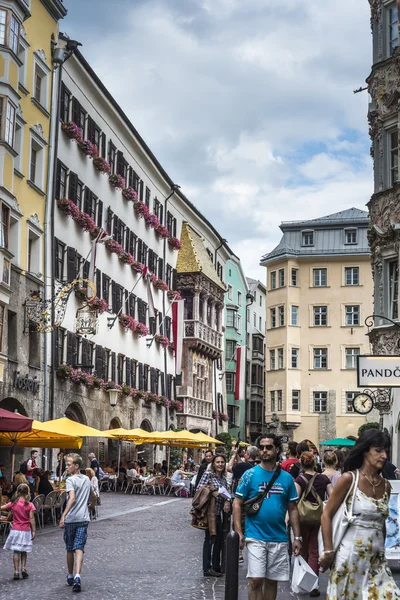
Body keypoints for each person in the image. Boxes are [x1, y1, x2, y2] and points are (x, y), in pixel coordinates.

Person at [320, 429, 400, 599]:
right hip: (349, 558)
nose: (384, 455)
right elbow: (326, 514)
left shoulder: (386, 486)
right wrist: (328, 551)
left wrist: (383, 551)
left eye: (386, 450)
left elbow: (382, 523)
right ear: (365, 452)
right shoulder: (349, 479)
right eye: (378, 450)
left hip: (376, 561)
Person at [233, 434, 302, 600]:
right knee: (256, 579)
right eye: (262, 447)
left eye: (269, 447)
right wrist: (239, 532)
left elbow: (292, 508)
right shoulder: (250, 475)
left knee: (272, 581)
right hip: (255, 535)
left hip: (278, 536)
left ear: (276, 449)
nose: (264, 450)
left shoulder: (286, 478)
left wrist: (297, 537)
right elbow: (237, 503)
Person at [294, 452, 332, 597]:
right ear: (314, 463)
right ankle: (314, 585)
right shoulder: (323, 478)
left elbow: (295, 499)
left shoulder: (299, 479)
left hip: (302, 518)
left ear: (302, 464)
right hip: (318, 518)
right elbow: (332, 494)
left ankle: (306, 582)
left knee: (303, 550)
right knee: (314, 550)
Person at [59, 453, 95, 593]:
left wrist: (63, 515)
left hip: (72, 519)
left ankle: (70, 575)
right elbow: (94, 494)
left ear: (76, 466)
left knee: (69, 547)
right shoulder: (86, 478)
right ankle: (78, 575)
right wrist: (92, 504)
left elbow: (71, 498)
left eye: (68, 465)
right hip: (83, 519)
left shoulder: (70, 480)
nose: (66, 467)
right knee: (79, 547)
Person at [197, 454, 231, 577]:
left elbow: (226, 493)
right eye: (218, 462)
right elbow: (199, 489)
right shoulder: (208, 475)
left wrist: (227, 500)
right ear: (213, 463)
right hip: (209, 513)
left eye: (222, 462)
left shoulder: (223, 478)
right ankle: (207, 568)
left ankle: (216, 565)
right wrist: (213, 492)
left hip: (218, 513)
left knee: (218, 540)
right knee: (209, 539)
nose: (220, 464)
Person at [1, 483, 36, 580]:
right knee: (24, 551)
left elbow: (2, 508)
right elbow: (32, 518)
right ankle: (23, 569)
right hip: (25, 531)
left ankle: (16, 571)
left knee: (16, 552)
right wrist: (34, 531)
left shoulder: (13, 503)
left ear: (18, 492)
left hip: (15, 530)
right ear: (27, 492)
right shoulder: (30, 504)